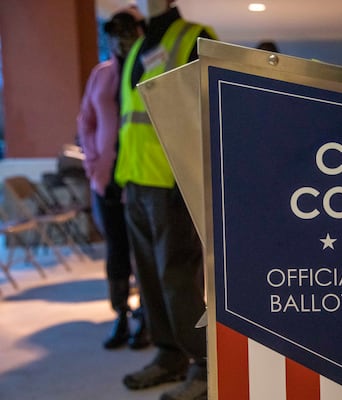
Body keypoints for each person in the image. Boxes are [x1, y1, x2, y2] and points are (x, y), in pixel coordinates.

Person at [113, 1, 217, 399]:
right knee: (151, 278)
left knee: (178, 278)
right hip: (136, 181)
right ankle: (169, 355)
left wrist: (190, 173)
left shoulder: (194, 36)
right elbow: (131, 118)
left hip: (174, 180)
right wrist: (120, 178)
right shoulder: (139, 48)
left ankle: (208, 365)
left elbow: (209, 107)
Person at [77, 8, 150, 350]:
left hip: (142, 176)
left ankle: (149, 318)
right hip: (107, 178)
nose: (121, 39)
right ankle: (121, 314)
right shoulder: (101, 74)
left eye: (127, 31)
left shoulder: (149, 67)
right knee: (117, 251)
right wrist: (94, 165)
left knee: (145, 252)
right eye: (115, 33)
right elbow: (86, 121)